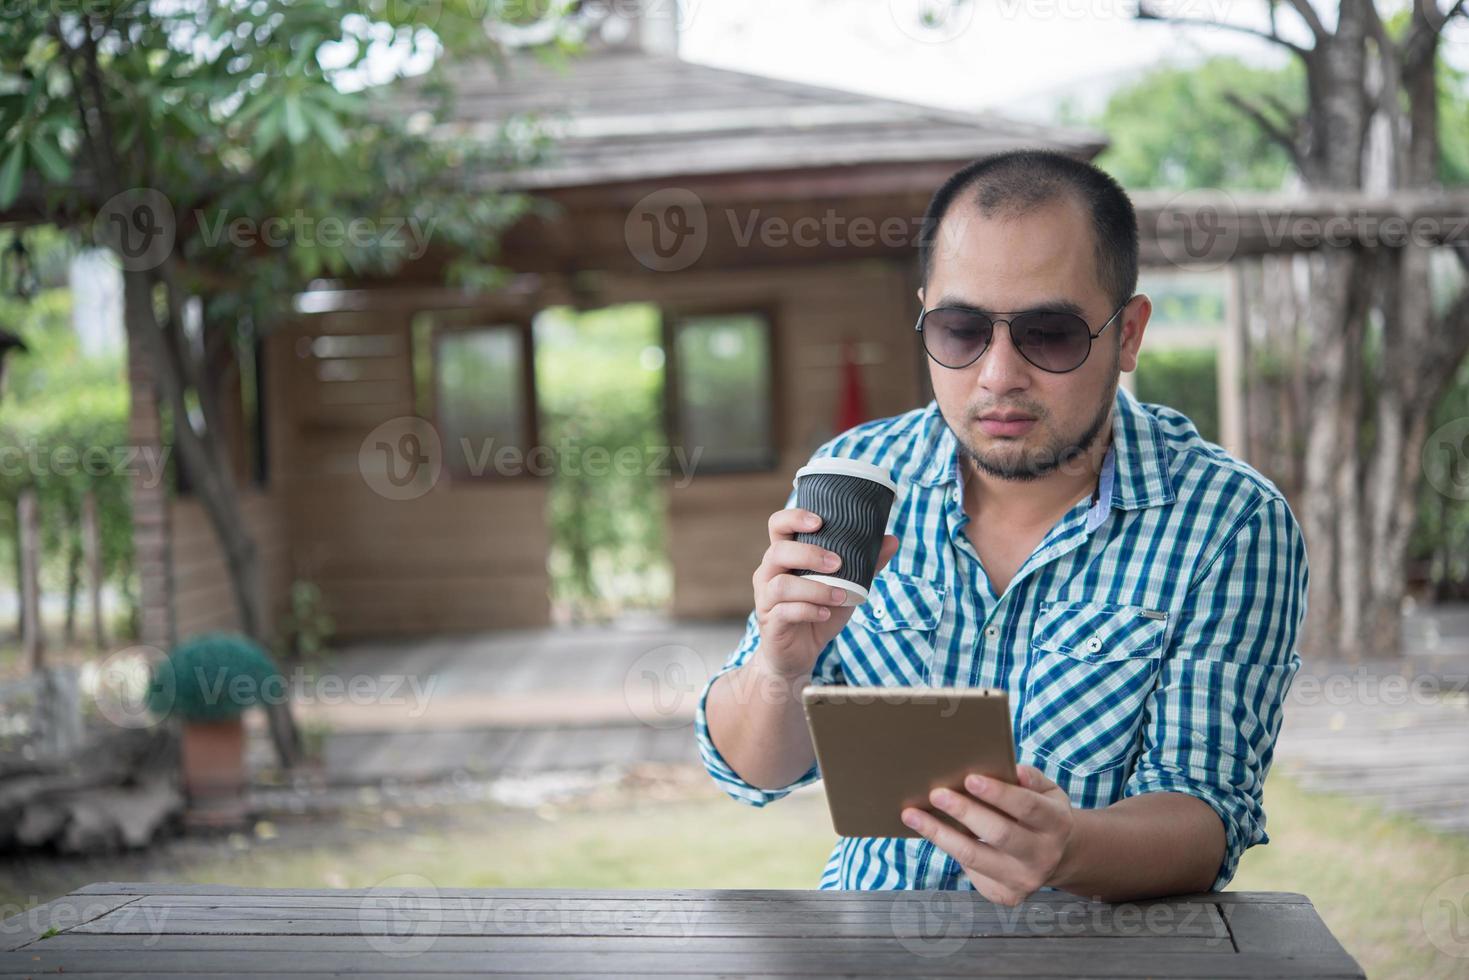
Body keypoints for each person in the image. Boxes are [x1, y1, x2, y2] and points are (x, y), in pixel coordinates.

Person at [694, 149, 1308, 904]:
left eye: (1048, 332)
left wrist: (1068, 848)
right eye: (960, 330)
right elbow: (755, 770)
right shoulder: (856, 476)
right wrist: (779, 670)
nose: (997, 375)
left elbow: (1205, 810)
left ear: (1129, 334)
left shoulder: (1229, 521)